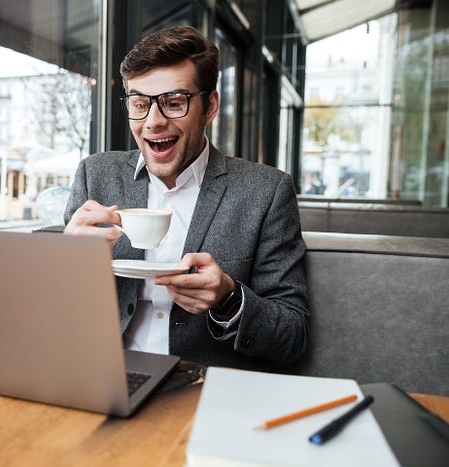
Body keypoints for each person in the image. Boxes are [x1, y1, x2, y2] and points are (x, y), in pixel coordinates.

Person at [63, 25, 308, 371]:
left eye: (174, 103)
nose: (153, 122)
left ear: (209, 106)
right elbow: (59, 312)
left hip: (204, 389)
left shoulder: (266, 192)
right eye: (139, 104)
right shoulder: (95, 176)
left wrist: (228, 299)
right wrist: (66, 263)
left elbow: (293, 334)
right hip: (104, 374)